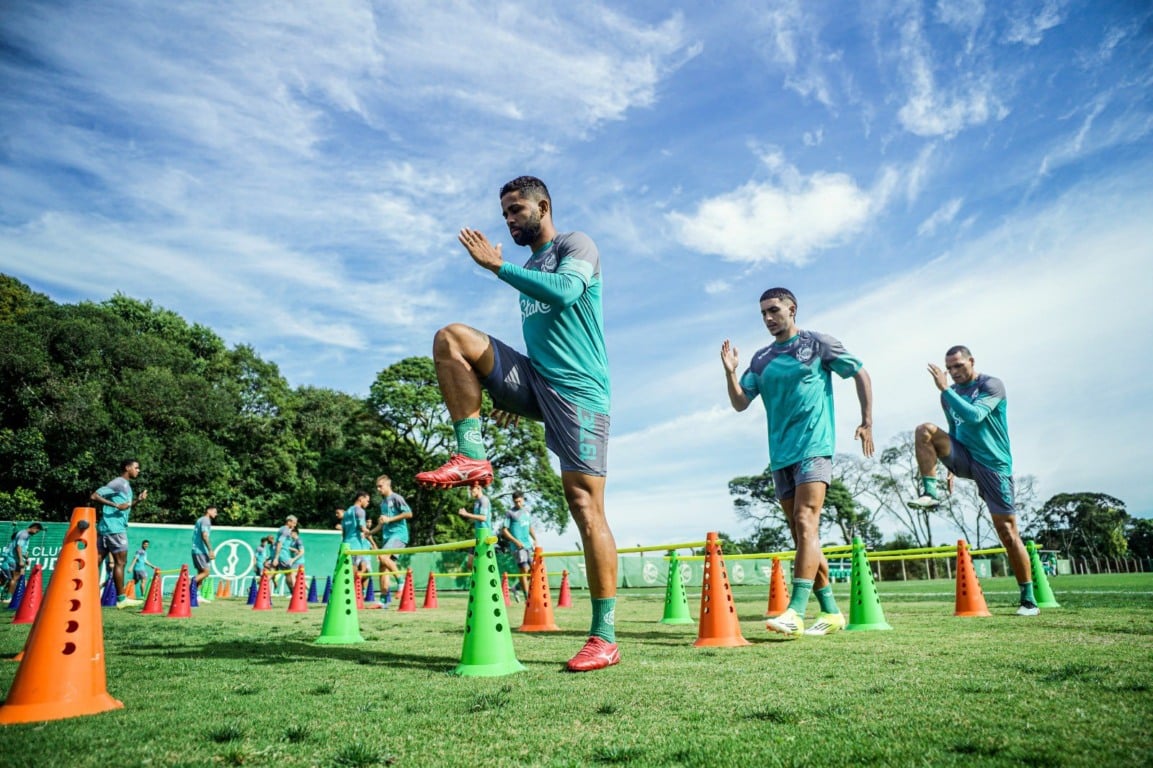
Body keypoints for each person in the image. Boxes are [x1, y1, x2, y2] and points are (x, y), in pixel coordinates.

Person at [415, 176, 618, 672]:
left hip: (579, 393)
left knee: (584, 505)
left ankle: (605, 637)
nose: (508, 219)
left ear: (542, 206)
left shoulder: (576, 245)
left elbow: (566, 293)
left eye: (516, 210)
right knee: (451, 339)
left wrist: (496, 266)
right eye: (504, 212)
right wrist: (511, 390)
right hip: (538, 380)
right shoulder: (528, 267)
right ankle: (471, 454)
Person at [721, 287, 874, 638]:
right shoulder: (761, 359)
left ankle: (796, 611)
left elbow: (860, 373)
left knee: (806, 521)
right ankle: (832, 612)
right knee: (801, 533)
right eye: (763, 313)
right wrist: (730, 373)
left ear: (792, 309)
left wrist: (867, 421)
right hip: (780, 455)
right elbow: (741, 403)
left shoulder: (818, 344)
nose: (768, 318)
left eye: (774, 310)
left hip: (814, 447)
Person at [907, 345, 1039, 616]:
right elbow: (955, 428)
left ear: (971, 361)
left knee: (1007, 532)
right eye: (949, 368)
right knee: (925, 430)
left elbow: (975, 416)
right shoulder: (949, 395)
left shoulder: (991, 385)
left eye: (958, 366)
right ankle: (930, 492)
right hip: (964, 457)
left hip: (993, 464)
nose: (954, 372)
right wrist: (950, 465)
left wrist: (944, 389)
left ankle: (1028, 599)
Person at [91, 459, 148, 608]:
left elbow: (125, 507)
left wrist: (138, 500)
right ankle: (122, 599)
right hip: (115, 530)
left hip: (105, 528)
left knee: (94, 562)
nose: (138, 470)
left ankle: (82, 592)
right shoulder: (118, 483)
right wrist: (116, 505)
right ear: (127, 468)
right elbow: (95, 496)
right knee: (120, 563)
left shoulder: (126, 486)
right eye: (136, 467)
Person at [369, 474, 412, 603]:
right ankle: (383, 601)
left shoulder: (396, 498)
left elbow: (409, 513)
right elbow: (382, 523)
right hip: (388, 537)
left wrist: (390, 519)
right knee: (382, 566)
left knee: (383, 557)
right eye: (377, 487)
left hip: (399, 535)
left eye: (380, 486)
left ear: (388, 485)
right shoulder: (383, 503)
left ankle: (401, 581)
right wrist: (369, 532)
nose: (378, 489)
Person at [502, 491, 537, 600]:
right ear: (513, 501)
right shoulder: (509, 513)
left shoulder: (527, 512)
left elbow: (529, 526)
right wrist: (515, 541)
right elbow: (504, 530)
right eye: (515, 502)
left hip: (528, 545)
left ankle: (516, 587)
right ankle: (527, 597)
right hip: (517, 547)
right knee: (524, 569)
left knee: (533, 570)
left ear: (523, 499)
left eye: (519, 501)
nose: (518, 503)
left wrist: (535, 539)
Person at [0, 522, 43, 598]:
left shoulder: (24, 534)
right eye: (37, 531)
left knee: (10, 578)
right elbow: (18, 547)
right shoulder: (24, 534)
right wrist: (21, 560)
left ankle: (3, 592)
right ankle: (8, 597)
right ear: (34, 528)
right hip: (13, 559)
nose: (36, 533)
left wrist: (26, 558)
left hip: (11, 558)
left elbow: (23, 549)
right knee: (15, 578)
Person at [458, 482, 492, 575]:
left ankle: (484, 580)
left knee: (482, 564)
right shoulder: (476, 502)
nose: (470, 491)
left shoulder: (484, 500)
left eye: (472, 489)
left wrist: (466, 514)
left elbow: (483, 518)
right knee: (470, 564)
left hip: (485, 536)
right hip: (477, 535)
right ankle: (479, 580)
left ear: (478, 488)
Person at [339, 494, 373, 578]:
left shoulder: (347, 512)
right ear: (361, 498)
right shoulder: (360, 511)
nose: (368, 503)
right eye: (367, 501)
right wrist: (372, 531)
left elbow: (344, 532)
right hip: (355, 545)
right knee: (354, 571)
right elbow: (362, 528)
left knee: (363, 570)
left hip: (346, 544)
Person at [191, 506, 218, 601]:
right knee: (206, 572)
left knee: (201, 573)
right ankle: (185, 586)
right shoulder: (206, 520)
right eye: (215, 512)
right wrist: (210, 549)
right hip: (200, 550)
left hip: (197, 550)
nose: (216, 514)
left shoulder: (200, 520)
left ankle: (196, 595)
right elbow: (205, 535)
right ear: (208, 511)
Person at [271, 514, 299, 592]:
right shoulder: (286, 530)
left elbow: (281, 543)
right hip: (282, 555)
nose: (295, 525)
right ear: (289, 521)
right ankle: (293, 593)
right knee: (289, 573)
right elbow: (280, 543)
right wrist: (276, 558)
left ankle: (253, 588)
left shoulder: (282, 528)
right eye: (294, 523)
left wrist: (291, 549)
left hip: (278, 554)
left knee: (271, 573)